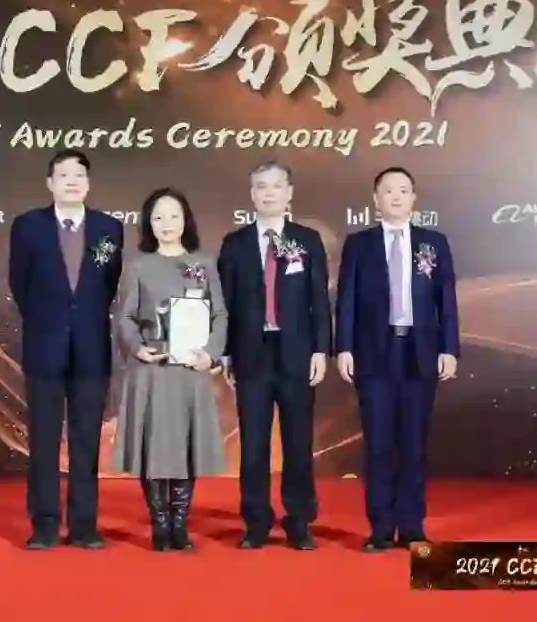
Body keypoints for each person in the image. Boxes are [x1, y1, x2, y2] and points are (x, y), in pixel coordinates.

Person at [334, 166, 460, 552]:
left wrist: (449, 348)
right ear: (376, 199)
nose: (395, 196)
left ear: (413, 198)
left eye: (403, 190)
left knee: (413, 444)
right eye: (388, 190)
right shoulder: (359, 244)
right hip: (374, 351)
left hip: (419, 352)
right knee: (377, 444)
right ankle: (379, 528)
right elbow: (346, 299)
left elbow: (446, 300)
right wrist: (344, 347)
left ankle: (411, 526)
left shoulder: (433, 243)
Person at [8, 150, 124, 550]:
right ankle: (44, 525)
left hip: (91, 348)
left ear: (87, 184)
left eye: (79, 175)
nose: (72, 181)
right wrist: (49, 320)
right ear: (50, 183)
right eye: (63, 175)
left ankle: (84, 525)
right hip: (44, 347)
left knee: (86, 440)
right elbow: (20, 285)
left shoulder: (109, 228)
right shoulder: (28, 226)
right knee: (43, 441)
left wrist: (82, 318)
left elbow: (107, 286)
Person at [217, 161, 331, 550]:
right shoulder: (235, 243)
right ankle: (256, 520)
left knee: (298, 441)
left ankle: (299, 520)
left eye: (276, 186)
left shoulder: (307, 240)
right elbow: (225, 303)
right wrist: (227, 352)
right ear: (252, 193)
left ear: (289, 192)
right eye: (261, 186)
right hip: (251, 353)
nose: (269, 193)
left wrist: (321, 349)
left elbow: (319, 300)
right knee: (253, 443)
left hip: (297, 351)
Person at [112, 188, 228, 552]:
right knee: (154, 448)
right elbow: (125, 317)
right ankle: (160, 524)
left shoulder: (204, 264)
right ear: (149, 223)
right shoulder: (139, 266)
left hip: (190, 370)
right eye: (158, 217)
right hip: (153, 370)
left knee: (185, 447)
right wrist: (137, 347)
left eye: (173, 216)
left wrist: (210, 354)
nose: (166, 224)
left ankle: (180, 523)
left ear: (185, 220)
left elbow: (220, 314)